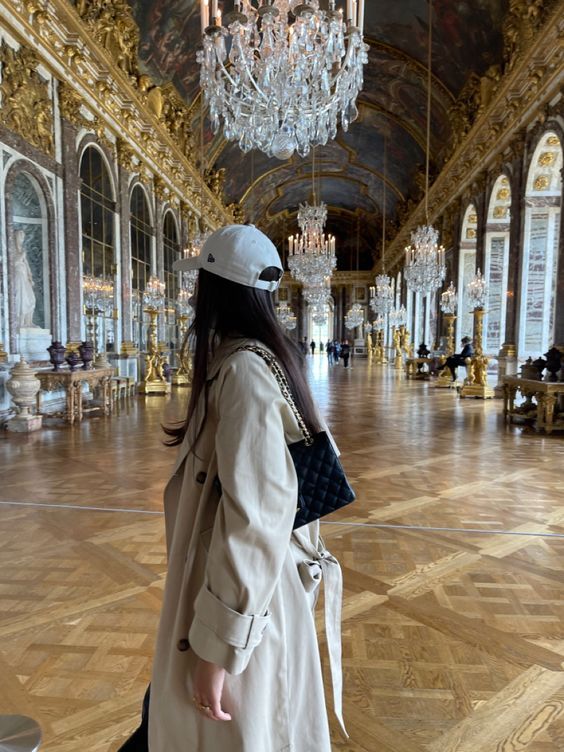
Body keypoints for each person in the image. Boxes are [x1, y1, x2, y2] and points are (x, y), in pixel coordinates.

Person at [146, 225, 343, 752]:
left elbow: (256, 516)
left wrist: (218, 648)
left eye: (198, 286)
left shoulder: (246, 374)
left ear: (214, 291)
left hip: (245, 611)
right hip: (246, 596)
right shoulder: (258, 363)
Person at [13, 228, 36, 329]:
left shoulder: (22, 250)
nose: (22, 239)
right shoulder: (12, 249)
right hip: (18, 276)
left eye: (23, 237)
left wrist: (30, 276)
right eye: (20, 236)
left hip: (25, 277)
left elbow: (26, 265)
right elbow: (13, 263)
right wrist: (22, 255)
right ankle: (20, 323)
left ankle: (28, 322)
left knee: (32, 299)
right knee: (22, 299)